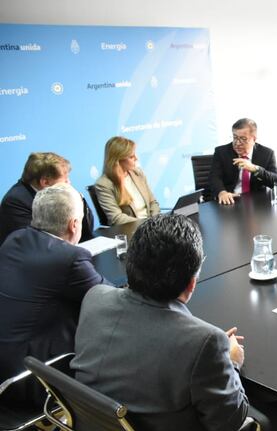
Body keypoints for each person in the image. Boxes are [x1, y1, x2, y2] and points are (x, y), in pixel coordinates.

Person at [71, 214, 277, 431]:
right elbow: (230, 423)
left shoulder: (95, 298)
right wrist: (228, 361)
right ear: (192, 282)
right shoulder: (205, 342)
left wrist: (209, 352)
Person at [0, 183, 108, 405]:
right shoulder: (69, 258)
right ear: (74, 224)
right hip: (30, 379)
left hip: (5, 365)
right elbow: (109, 300)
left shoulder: (15, 239)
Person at [0, 151, 95, 245]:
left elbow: (86, 232)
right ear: (45, 182)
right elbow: (34, 243)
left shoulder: (60, 195)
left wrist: (79, 202)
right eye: (65, 180)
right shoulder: (15, 201)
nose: (69, 183)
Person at [210, 118, 277, 205]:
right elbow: (214, 178)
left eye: (243, 139)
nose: (237, 143)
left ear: (254, 139)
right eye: (235, 137)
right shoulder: (221, 152)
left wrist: (255, 169)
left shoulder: (266, 154)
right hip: (230, 200)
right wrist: (222, 192)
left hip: (256, 203)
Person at [94, 136, 160, 225]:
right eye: (131, 156)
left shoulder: (138, 173)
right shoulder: (103, 184)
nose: (136, 158)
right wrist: (146, 224)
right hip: (131, 230)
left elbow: (153, 203)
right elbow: (116, 218)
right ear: (117, 161)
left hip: (151, 226)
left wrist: (155, 222)